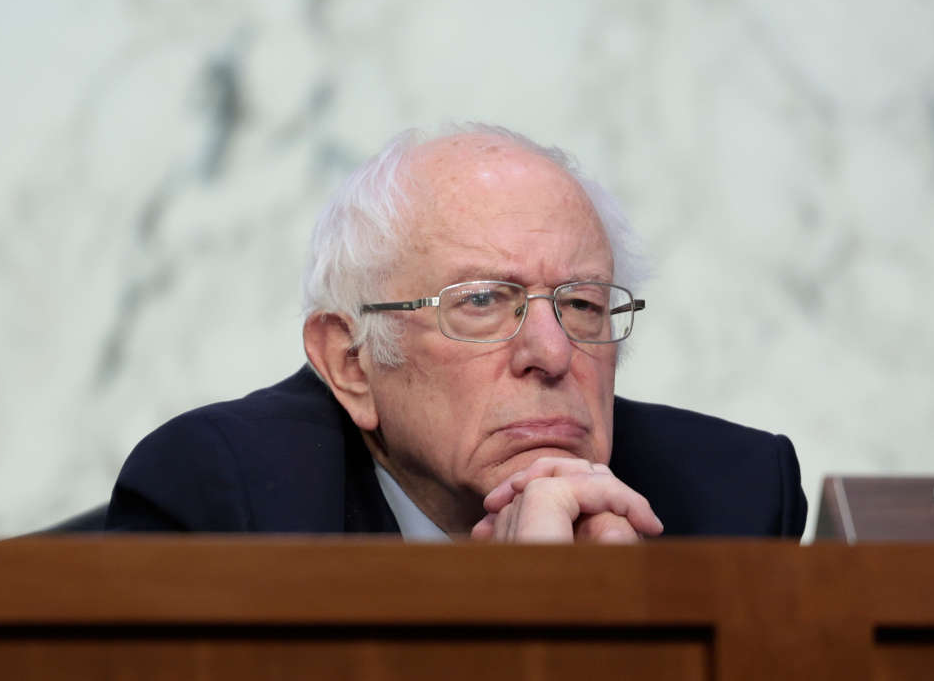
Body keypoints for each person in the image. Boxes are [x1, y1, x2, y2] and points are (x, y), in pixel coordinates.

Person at [106, 124, 807, 541]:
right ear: (351, 364)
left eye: (584, 305)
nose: (553, 353)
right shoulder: (233, 503)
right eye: (481, 301)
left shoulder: (731, 498)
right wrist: (529, 620)